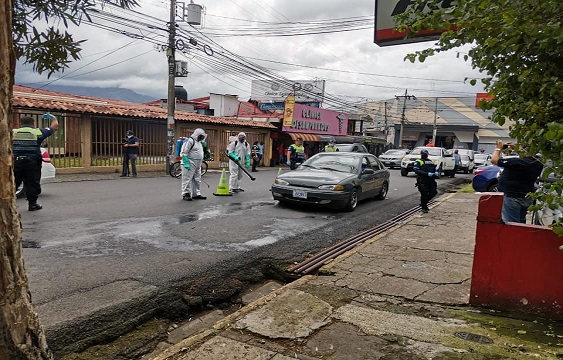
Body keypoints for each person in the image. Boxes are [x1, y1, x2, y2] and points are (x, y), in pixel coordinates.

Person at [13, 113, 59, 211]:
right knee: (32, 183)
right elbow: (54, 127)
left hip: (16, 162)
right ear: (32, 124)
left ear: (20, 124)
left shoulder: (13, 132)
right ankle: (32, 204)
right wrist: (54, 118)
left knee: (14, 183)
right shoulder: (38, 132)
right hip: (32, 163)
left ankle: (8, 204)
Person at [491, 140, 543, 223]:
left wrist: (497, 149)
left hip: (512, 197)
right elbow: (528, 155)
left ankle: (513, 236)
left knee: (512, 224)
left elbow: (494, 160)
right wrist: (516, 148)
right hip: (526, 196)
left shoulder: (518, 162)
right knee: (521, 223)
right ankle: (521, 235)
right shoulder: (537, 162)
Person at [180, 128, 208, 201]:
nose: (201, 138)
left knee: (197, 179)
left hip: (198, 163)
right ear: (196, 135)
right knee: (187, 179)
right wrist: (186, 163)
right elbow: (184, 152)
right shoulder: (189, 141)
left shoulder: (199, 142)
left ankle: (196, 193)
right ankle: (186, 193)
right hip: (190, 162)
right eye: (200, 136)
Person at [413, 149, 439, 213]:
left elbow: (434, 168)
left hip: (431, 179)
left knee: (434, 192)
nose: (424, 155)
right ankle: (424, 207)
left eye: (425, 154)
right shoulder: (418, 161)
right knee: (424, 193)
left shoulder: (430, 161)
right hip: (423, 180)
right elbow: (416, 170)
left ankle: (424, 203)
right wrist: (426, 174)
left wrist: (436, 172)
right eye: (422, 153)